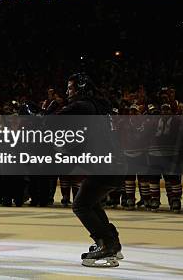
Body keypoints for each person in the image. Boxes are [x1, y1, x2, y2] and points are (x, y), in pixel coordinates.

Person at [58, 73, 124, 268]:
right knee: (91, 203)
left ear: (81, 88)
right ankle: (112, 242)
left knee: (81, 205)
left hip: (106, 166)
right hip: (115, 164)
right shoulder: (100, 106)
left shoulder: (84, 106)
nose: (67, 92)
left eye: (70, 88)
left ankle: (105, 244)